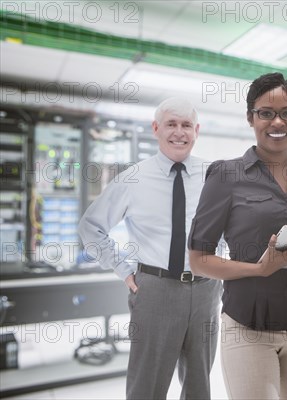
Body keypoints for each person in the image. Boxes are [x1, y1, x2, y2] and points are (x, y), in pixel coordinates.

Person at [188, 72, 287, 400]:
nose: (277, 122)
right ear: (250, 118)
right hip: (247, 326)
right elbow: (198, 260)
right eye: (266, 113)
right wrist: (259, 269)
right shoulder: (226, 175)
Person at [78, 97, 222, 399]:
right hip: (156, 290)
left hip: (207, 290)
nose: (179, 132)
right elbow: (91, 227)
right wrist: (123, 269)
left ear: (197, 131)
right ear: (156, 128)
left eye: (186, 125)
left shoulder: (214, 175)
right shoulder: (134, 178)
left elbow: (230, 227)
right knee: (147, 385)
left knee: (200, 385)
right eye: (171, 124)